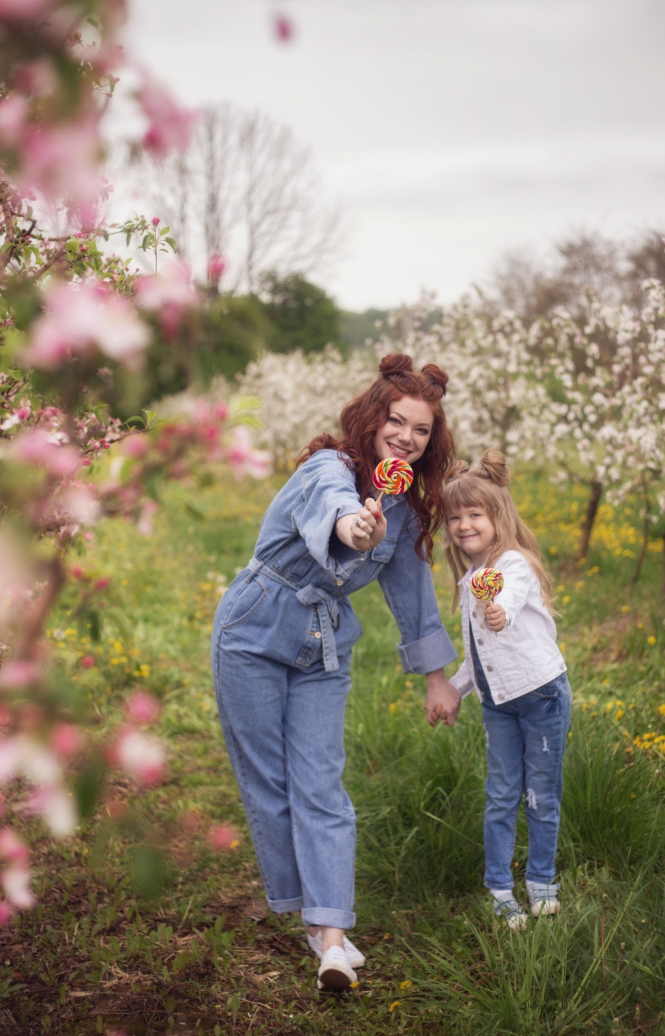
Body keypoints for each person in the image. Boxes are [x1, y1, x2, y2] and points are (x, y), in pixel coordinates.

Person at [211, 354, 461, 991]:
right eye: (396, 422)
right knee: (269, 781)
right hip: (255, 631)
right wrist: (357, 523)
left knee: (321, 783)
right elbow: (336, 513)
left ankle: (331, 938)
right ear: (372, 419)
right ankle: (307, 915)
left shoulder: (404, 509)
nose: (406, 436)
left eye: (421, 430)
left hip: (323, 645)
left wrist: (436, 676)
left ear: (432, 440)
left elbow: (411, 590)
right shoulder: (327, 468)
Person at [441, 448, 572, 931]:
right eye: (454, 517)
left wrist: (499, 610)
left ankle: (541, 882)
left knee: (540, 794)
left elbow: (509, 598)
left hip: (541, 696)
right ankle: (499, 887)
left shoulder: (513, 565)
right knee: (501, 794)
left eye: (474, 514)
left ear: (498, 516)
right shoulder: (471, 578)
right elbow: (480, 655)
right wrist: (455, 689)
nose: (463, 524)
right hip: (498, 703)